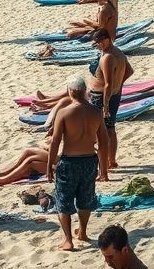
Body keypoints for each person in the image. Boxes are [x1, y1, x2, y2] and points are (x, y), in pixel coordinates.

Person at [48, 75, 108, 251]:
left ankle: (68, 239)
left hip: (69, 162)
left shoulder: (64, 112)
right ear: (85, 92)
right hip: (90, 161)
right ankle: (82, 232)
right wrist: (103, 169)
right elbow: (104, 142)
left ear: (70, 92)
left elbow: (55, 141)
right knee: (85, 199)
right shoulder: (96, 113)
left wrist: (50, 165)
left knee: (63, 200)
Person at [89, 29, 132, 172]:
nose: (99, 45)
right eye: (97, 43)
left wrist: (105, 106)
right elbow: (129, 71)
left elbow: (107, 83)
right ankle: (111, 160)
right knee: (110, 129)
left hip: (102, 97)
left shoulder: (108, 57)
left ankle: (106, 164)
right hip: (113, 94)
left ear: (107, 39)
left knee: (101, 131)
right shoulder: (119, 52)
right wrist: (118, 85)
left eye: (100, 42)